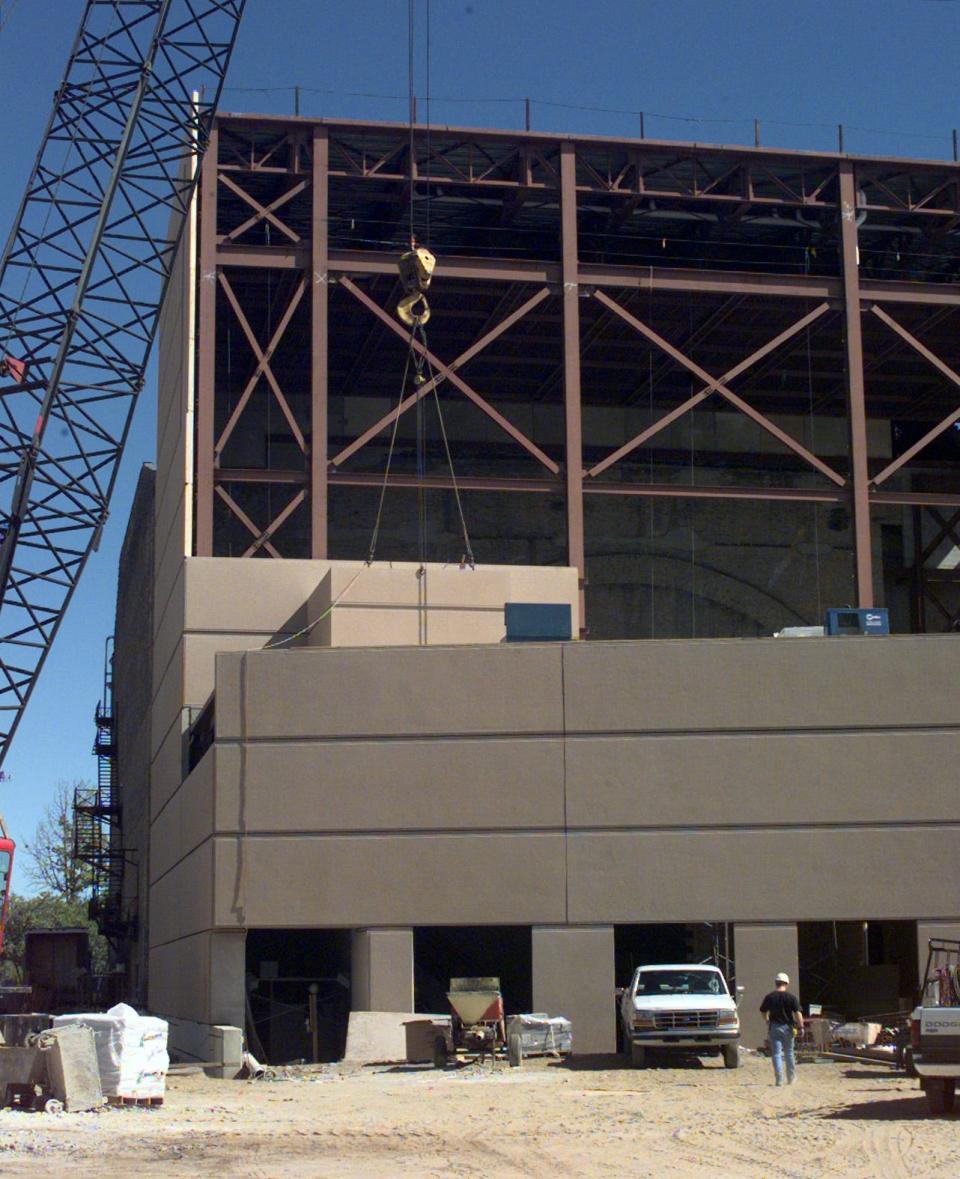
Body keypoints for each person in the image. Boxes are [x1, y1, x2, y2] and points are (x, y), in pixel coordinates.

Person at [760, 971, 803, 1085]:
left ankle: (779, 1079)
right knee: (789, 1053)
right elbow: (798, 1013)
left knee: (776, 1054)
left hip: (774, 1027)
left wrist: (767, 1020)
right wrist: (801, 1027)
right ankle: (791, 1078)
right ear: (787, 983)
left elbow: (763, 1011)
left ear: (776, 983)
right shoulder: (791, 998)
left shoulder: (770, 997)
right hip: (788, 1028)